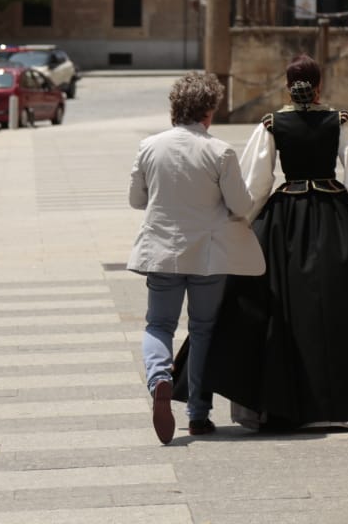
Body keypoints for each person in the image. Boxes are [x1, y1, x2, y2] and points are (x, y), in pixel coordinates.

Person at [203, 54, 348, 430]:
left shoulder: (271, 124)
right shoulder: (341, 122)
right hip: (333, 217)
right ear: (319, 86)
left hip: (287, 223)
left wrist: (239, 225)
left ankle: (291, 402)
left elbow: (255, 185)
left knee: (286, 305)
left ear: (287, 85)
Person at [127, 71, 261, 444]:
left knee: (158, 325)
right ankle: (198, 414)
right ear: (208, 111)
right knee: (203, 329)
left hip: (161, 252)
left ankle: (160, 380)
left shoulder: (149, 146)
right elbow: (241, 205)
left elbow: (137, 200)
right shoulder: (220, 151)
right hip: (207, 255)